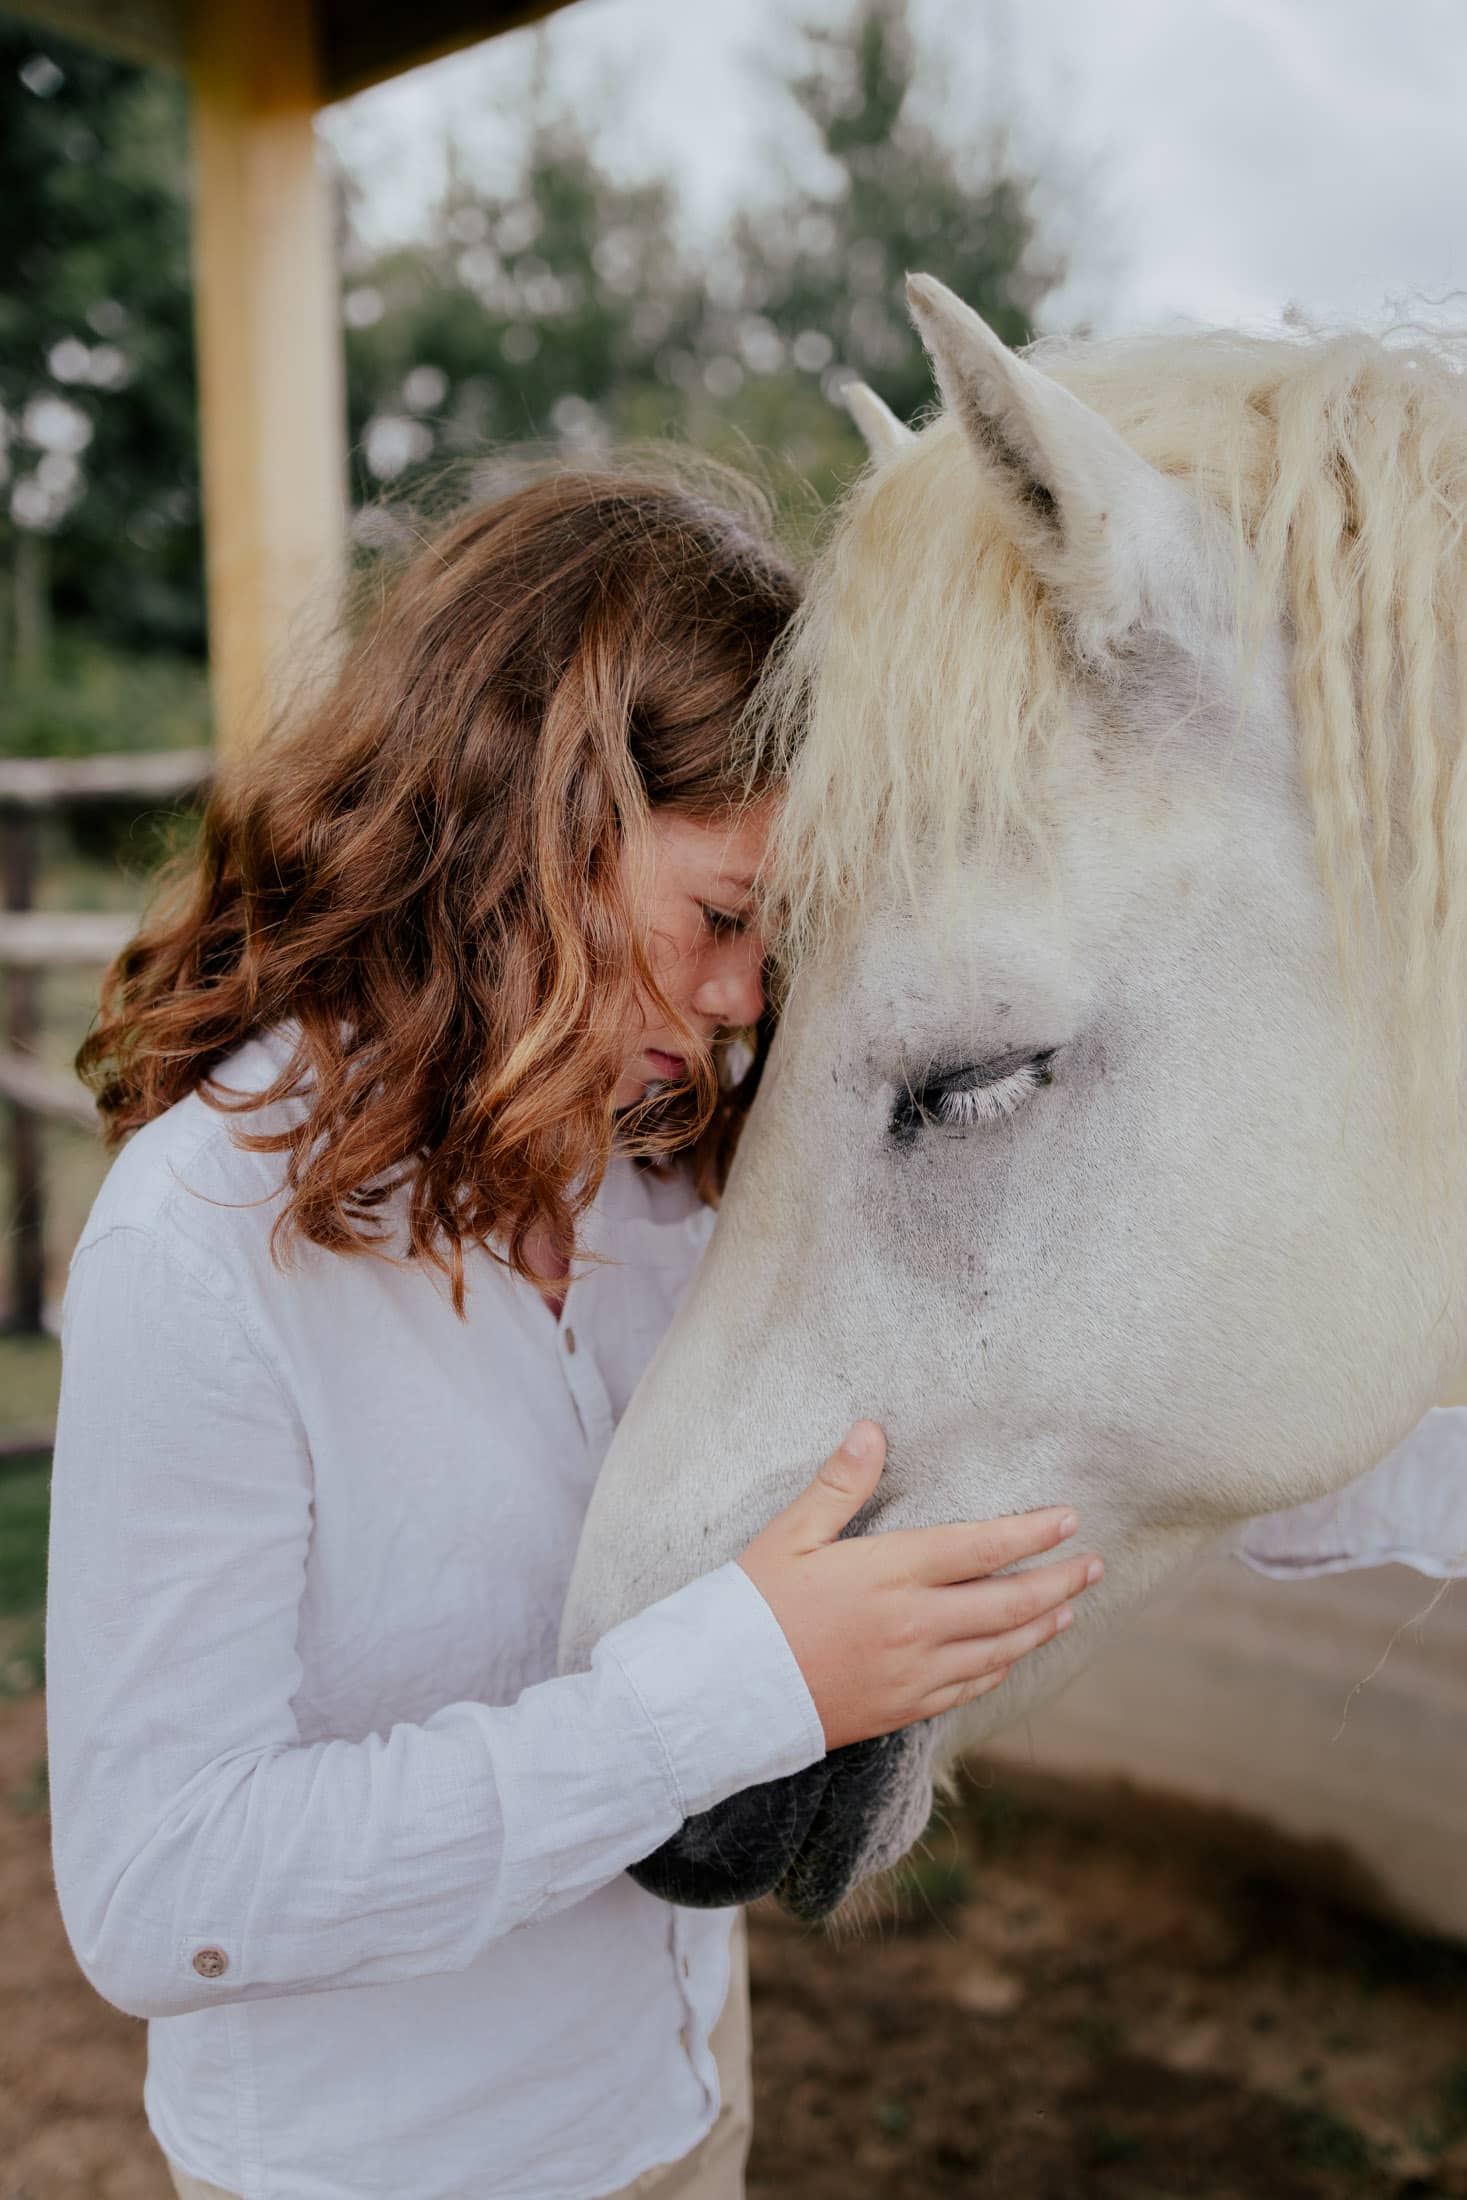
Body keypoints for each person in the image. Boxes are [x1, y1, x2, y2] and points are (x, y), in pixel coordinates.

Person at [45, 462, 1103, 2200]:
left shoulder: (665, 1180)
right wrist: (722, 1697)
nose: (746, 998)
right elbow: (165, 1893)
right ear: (532, 817)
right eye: (719, 920)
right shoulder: (199, 1251)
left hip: (684, 2113)